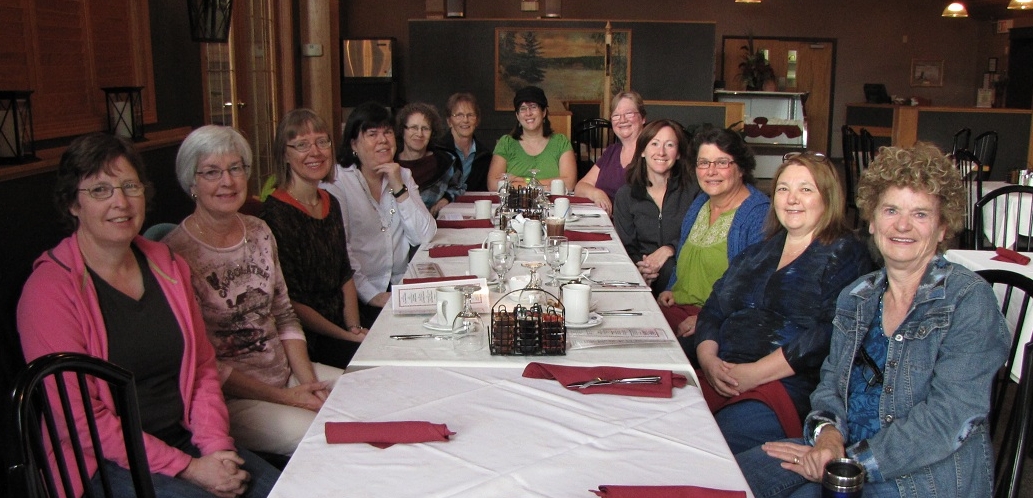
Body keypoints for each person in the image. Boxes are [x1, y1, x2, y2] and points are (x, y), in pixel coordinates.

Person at [737, 143, 1009, 497]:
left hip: (926, 476)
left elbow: (948, 419)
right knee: (731, 475)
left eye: (921, 214)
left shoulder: (968, 300)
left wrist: (845, 462)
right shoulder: (858, 296)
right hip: (846, 456)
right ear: (872, 218)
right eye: (890, 210)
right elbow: (831, 388)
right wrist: (828, 439)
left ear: (944, 228)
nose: (902, 225)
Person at [17, 132, 279, 498]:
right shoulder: (49, 291)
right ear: (73, 204)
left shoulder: (166, 264)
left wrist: (216, 448)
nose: (120, 202)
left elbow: (203, 368)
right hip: (104, 462)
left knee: (293, 488)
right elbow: (79, 422)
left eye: (129, 186)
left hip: (186, 438)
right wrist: (188, 468)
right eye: (100, 190)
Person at [163, 125, 343, 457]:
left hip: (286, 373)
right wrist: (289, 398)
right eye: (212, 172)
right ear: (191, 182)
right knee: (322, 437)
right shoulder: (175, 255)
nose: (227, 181)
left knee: (364, 394)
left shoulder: (259, 230)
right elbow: (203, 363)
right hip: (232, 400)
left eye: (235, 168)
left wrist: (307, 385)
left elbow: (284, 314)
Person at [692, 152, 873, 454]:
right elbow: (713, 307)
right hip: (721, 375)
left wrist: (755, 373)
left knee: (710, 442)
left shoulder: (844, 252)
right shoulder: (759, 251)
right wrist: (709, 361)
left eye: (806, 189)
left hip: (782, 388)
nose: (792, 199)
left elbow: (830, 332)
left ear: (828, 198)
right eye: (783, 189)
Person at [260, 109, 368, 369]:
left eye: (322, 141)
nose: (315, 152)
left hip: (341, 325)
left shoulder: (330, 201)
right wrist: (347, 337)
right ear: (284, 154)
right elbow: (290, 303)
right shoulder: (274, 214)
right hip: (306, 340)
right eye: (301, 145)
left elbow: (344, 273)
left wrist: (353, 327)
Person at [323, 102, 437, 326]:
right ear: (354, 143)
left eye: (387, 132)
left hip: (400, 290)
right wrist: (370, 294)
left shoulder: (402, 175)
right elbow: (341, 250)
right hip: (356, 299)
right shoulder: (337, 182)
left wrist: (398, 187)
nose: (383, 140)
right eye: (372, 134)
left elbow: (425, 237)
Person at [657, 125, 770, 339]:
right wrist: (672, 288)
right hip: (678, 310)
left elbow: (755, 290)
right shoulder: (701, 203)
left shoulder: (757, 214)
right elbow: (685, 256)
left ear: (741, 168)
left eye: (721, 163)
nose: (711, 172)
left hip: (720, 322)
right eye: (703, 163)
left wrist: (708, 318)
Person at [613, 119, 699, 296]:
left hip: (682, 276)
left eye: (669, 145)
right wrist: (643, 269)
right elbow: (626, 247)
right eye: (654, 144)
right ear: (643, 151)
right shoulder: (626, 195)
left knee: (670, 267)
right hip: (639, 275)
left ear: (679, 153)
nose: (661, 152)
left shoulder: (694, 191)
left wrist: (669, 249)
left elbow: (697, 235)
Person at [487, 86, 577, 191]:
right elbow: (493, 185)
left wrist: (520, 180)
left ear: (544, 112)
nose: (528, 113)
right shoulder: (506, 143)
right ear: (517, 115)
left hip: (552, 206)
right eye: (523, 109)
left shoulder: (561, 142)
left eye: (533, 107)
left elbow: (569, 183)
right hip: (514, 206)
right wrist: (546, 186)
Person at [574, 91, 648, 215]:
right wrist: (597, 194)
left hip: (630, 230)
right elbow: (580, 186)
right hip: (603, 223)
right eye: (616, 115)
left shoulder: (652, 153)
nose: (622, 120)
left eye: (629, 113)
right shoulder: (612, 151)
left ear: (643, 118)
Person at [395, 102, 463, 217]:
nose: (419, 134)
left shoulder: (446, 161)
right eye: (413, 128)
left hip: (432, 227)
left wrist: (446, 199)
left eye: (425, 128)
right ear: (403, 131)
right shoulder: (390, 164)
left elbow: (458, 187)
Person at [439, 92, 491, 193]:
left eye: (470, 115)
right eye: (459, 115)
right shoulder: (438, 150)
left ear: (477, 121)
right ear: (449, 121)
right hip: (442, 207)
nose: (465, 120)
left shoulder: (485, 156)